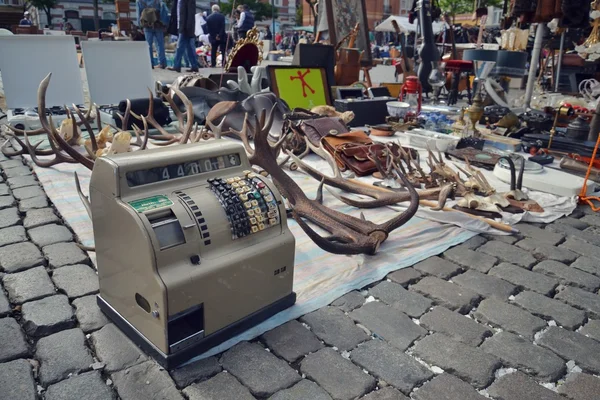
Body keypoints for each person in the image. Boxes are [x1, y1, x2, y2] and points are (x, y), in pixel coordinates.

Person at [167, 0, 199, 72]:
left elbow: (191, 14)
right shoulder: (177, 1)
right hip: (181, 26)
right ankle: (194, 66)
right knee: (189, 48)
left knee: (180, 47)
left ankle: (176, 65)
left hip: (185, 27)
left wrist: (188, 27)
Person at [137, 0, 168, 68]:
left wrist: (140, 26)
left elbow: (139, 14)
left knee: (148, 45)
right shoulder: (159, 1)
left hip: (147, 26)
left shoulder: (140, 1)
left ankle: (150, 63)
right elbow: (164, 10)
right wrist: (164, 24)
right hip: (158, 25)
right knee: (160, 44)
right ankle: (162, 63)